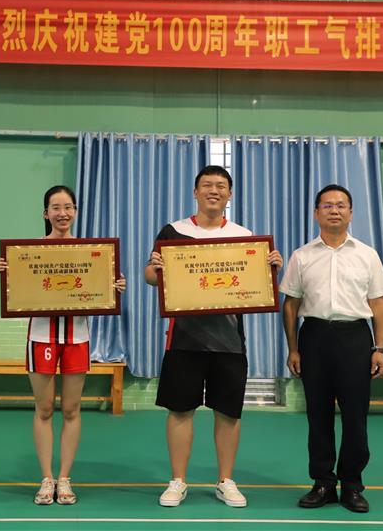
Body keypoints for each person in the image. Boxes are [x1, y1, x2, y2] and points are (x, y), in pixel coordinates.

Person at [144, 165, 282, 509]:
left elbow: (257, 284)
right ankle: (178, 480)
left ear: (230, 194)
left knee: (229, 413)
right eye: (207, 185)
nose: (214, 190)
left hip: (229, 342)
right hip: (184, 339)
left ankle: (226, 481)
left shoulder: (244, 236)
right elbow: (149, 274)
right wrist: (156, 270)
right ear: (195, 192)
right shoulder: (174, 231)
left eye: (221, 186)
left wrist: (270, 269)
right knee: (180, 410)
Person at [0, 185, 126, 506]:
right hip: (41, 337)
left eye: (68, 207)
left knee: (71, 409)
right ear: (46, 213)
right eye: (55, 207)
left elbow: (100, 291)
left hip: (77, 338)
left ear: (76, 212)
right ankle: (46, 479)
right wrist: (8, 273)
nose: (62, 213)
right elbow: (20, 291)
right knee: (43, 409)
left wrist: (114, 286)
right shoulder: (28, 254)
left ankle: (65, 478)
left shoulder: (92, 254)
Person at [280, 183, 383, 514]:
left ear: (351, 213)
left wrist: (380, 347)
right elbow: (290, 305)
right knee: (318, 415)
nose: (334, 210)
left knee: (355, 416)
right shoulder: (301, 256)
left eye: (341, 205)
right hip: (314, 337)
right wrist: (293, 348)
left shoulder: (367, 255)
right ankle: (323, 483)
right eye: (327, 205)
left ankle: (352, 485)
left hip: (355, 338)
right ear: (316, 213)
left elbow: (379, 304)